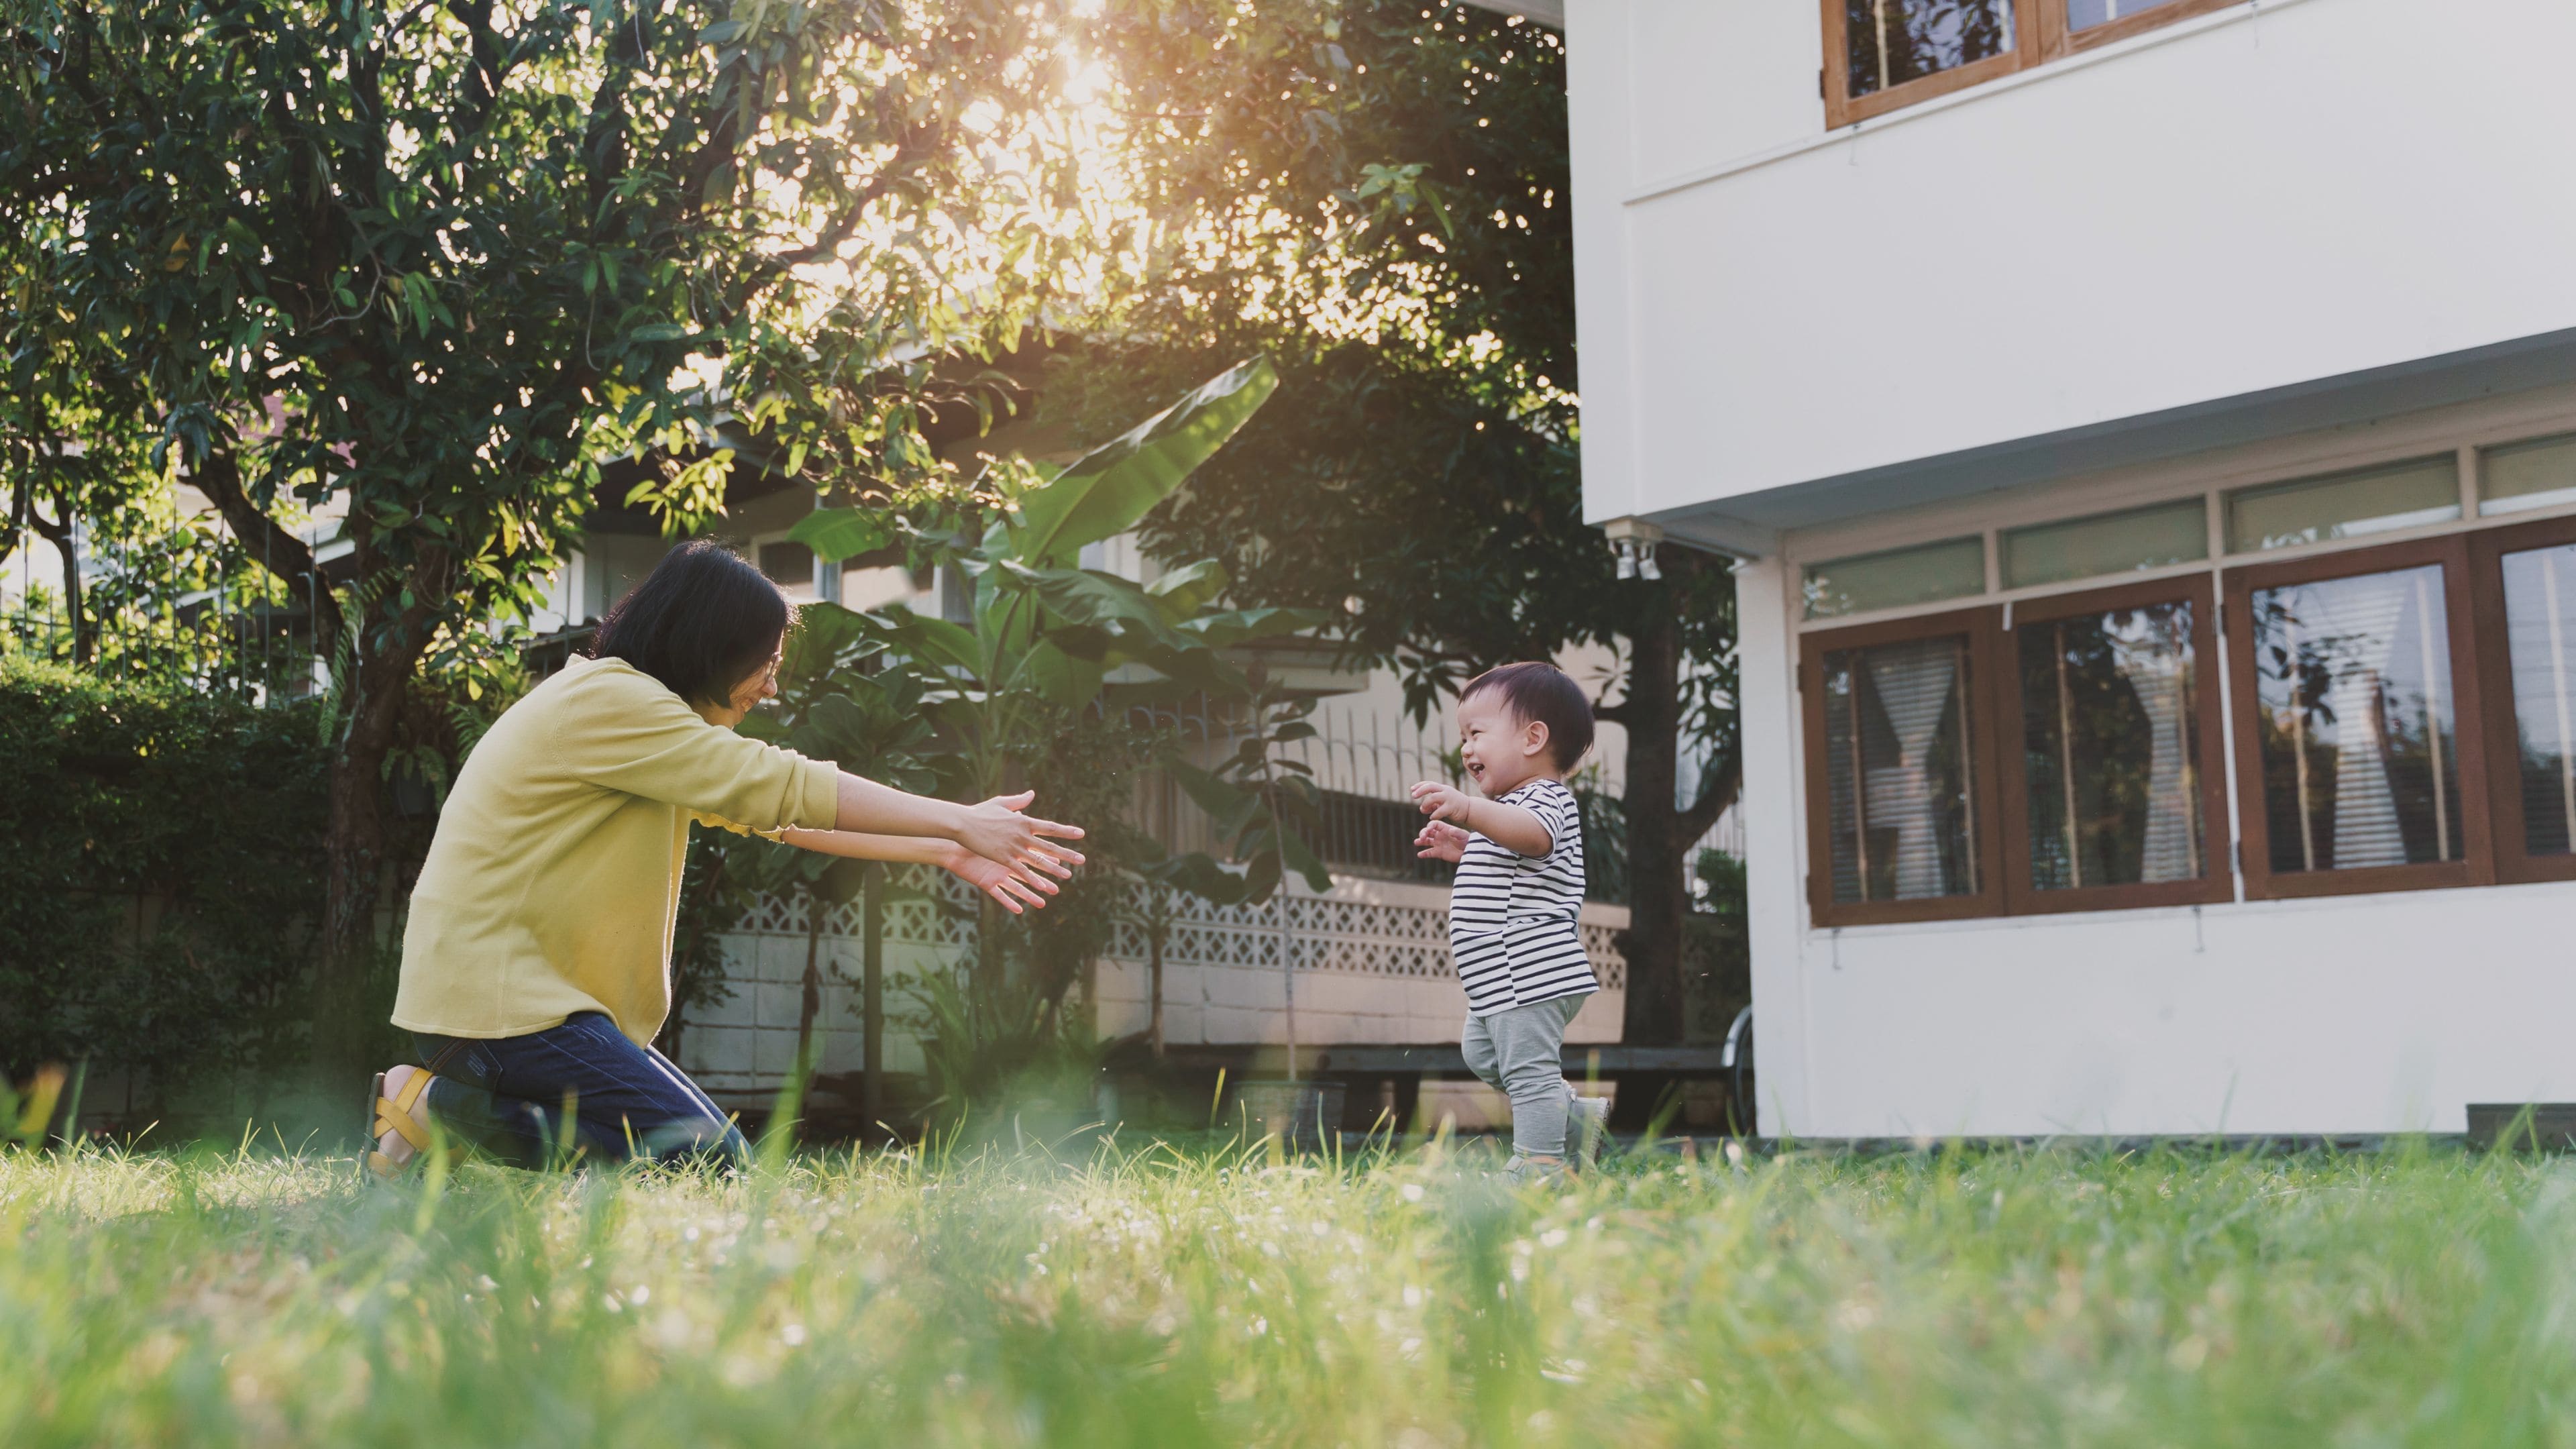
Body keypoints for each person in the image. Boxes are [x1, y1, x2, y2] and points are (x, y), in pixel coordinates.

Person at [364, 540, 1084, 1178]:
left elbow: (779, 816)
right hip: (496, 1011)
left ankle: (434, 1115)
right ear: (710, 645)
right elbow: (781, 785)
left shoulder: (640, 722)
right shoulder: (610, 703)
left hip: (515, 1011)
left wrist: (944, 848)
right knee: (705, 1161)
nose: (771, 687)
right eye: (764, 663)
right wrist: (959, 817)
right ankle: (434, 1105)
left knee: (703, 1156)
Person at [1409, 662, 1609, 1180]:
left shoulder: (1546, 798)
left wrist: (1470, 813)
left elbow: (1533, 837)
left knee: (1528, 1073)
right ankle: (1573, 1117)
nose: (1466, 749)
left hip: (1530, 972)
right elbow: (1514, 855)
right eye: (1463, 737)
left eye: (1477, 733)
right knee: (1482, 1053)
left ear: (1533, 738)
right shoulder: (1509, 810)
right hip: (1499, 979)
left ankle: (1539, 1164)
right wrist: (1468, 848)